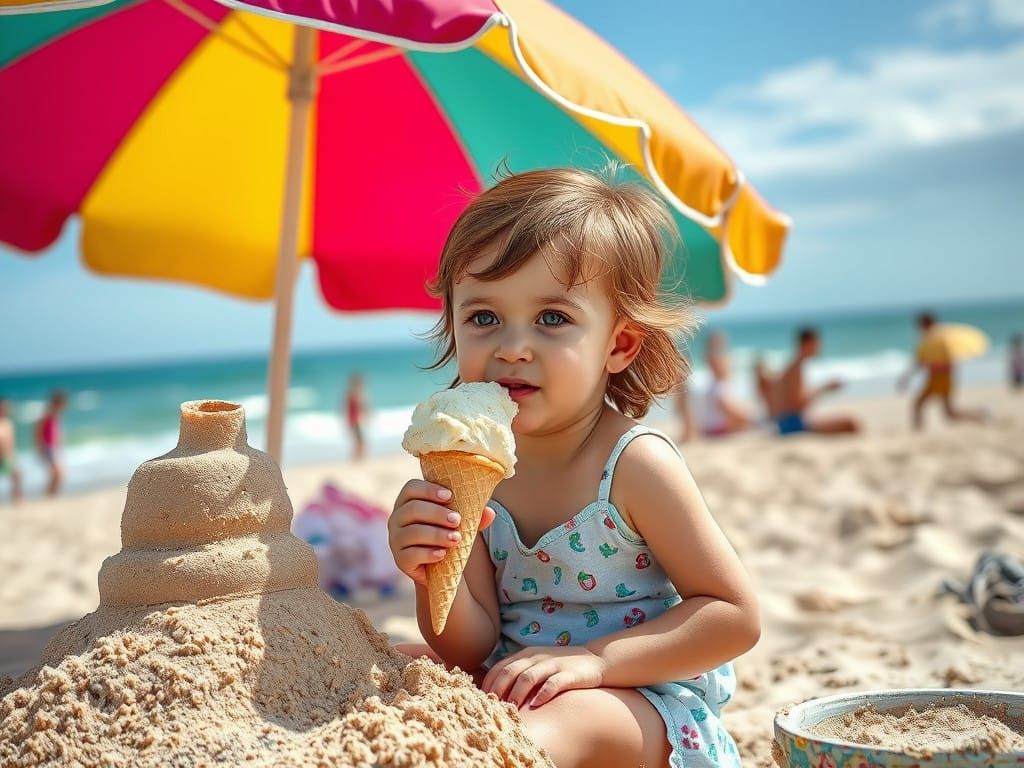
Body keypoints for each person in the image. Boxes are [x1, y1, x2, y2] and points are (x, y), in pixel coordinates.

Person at [387, 167, 760, 768]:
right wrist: (430, 572)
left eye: (552, 318)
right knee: (386, 660)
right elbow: (468, 645)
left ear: (618, 345)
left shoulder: (634, 465)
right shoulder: (473, 465)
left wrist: (599, 660)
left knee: (558, 719)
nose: (512, 345)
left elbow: (732, 615)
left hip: (639, 699)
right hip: (514, 678)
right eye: (483, 317)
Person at [899, 312, 982, 430]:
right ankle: (978, 416)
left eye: (920, 325)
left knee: (920, 405)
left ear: (925, 324)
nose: (919, 328)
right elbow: (922, 362)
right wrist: (907, 377)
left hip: (940, 378)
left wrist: (907, 377)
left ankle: (918, 431)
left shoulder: (936, 339)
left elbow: (947, 361)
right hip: (941, 378)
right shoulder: (932, 339)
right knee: (948, 412)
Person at [772, 327, 859, 435]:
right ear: (807, 344)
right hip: (792, 425)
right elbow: (797, 405)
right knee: (850, 423)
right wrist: (824, 388)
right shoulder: (795, 368)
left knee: (847, 421)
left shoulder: (793, 365)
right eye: (817, 344)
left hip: (788, 423)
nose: (819, 348)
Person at [35, 390, 67, 497]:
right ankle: (49, 495)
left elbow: (55, 431)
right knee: (58, 473)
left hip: (53, 447)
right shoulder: (48, 413)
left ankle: (51, 495)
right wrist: (39, 446)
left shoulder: (55, 413)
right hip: (48, 447)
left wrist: (60, 443)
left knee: (57, 474)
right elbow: (38, 429)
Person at [0, 398, 23, 504]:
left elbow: (11, 443)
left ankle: (17, 500)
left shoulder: (8, 423)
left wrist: (13, 456)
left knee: (17, 476)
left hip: (7, 456)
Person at [343, 373, 369, 461]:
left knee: (359, 441)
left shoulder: (351, 394)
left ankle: (357, 458)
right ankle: (357, 459)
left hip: (354, 420)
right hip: (355, 421)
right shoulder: (354, 394)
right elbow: (361, 406)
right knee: (360, 441)